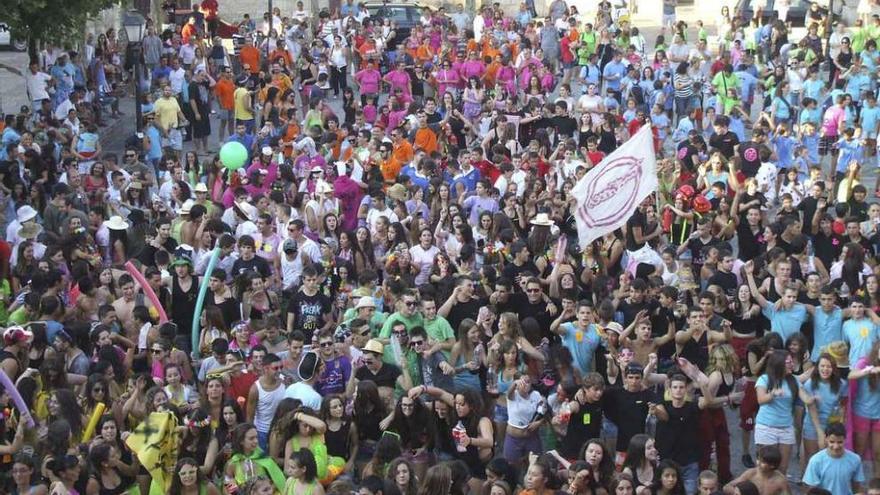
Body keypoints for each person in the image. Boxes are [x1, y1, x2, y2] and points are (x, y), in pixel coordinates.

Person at [803, 423, 865, 495]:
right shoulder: (816, 461)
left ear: (845, 439)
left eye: (840, 442)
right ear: (826, 438)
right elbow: (812, 489)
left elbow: (857, 486)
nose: (836, 446)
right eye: (832, 442)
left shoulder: (855, 459)